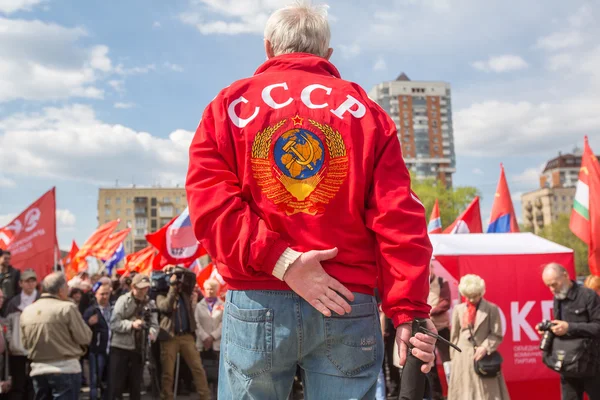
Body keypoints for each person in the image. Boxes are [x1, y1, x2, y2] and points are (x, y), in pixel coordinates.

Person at [185, 3, 436, 398]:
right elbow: (398, 217)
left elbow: (209, 206)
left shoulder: (226, 107)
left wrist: (281, 262)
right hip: (347, 299)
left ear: (268, 49)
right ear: (327, 54)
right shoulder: (367, 113)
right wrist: (410, 311)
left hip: (257, 298)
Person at [19, 272, 93, 400]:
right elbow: (85, 337)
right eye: (66, 288)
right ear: (60, 290)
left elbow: (25, 343)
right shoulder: (67, 308)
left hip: (38, 369)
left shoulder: (27, 310)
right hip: (65, 369)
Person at [537, 263, 600, 400]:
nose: (552, 289)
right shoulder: (558, 298)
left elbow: (597, 326)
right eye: (548, 286)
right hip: (568, 364)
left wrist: (569, 327)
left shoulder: (588, 296)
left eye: (554, 284)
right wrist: (551, 330)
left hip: (591, 364)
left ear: (565, 275)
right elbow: (561, 326)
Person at [447, 274, 510, 400]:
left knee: (487, 393)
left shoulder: (492, 309)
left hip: (484, 358)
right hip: (462, 358)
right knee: (464, 391)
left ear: (481, 292)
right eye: (468, 296)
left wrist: (485, 347)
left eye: (474, 296)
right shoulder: (459, 310)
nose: (471, 299)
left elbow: (496, 334)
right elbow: (454, 336)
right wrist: (454, 358)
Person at [156, 267, 210, 400]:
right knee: (168, 372)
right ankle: (167, 397)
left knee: (197, 368)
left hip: (186, 336)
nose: (178, 283)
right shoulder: (160, 295)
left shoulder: (185, 294)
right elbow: (166, 307)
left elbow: (192, 277)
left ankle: (205, 396)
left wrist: (177, 269)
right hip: (170, 337)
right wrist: (172, 288)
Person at [108, 274, 158, 400]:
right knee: (116, 386)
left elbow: (154, 324)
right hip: (121, 348)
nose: (143, 291)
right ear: (133, 287)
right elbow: (114, 323)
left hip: (139, 349)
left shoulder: (150, 303)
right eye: (140, 288)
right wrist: (132, 325)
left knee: (136, 387)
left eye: (146, 288)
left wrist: (152, 333)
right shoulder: (123, 300)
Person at [5, 269, 40, 400]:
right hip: (18, 350)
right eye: (27, 281)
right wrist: (11, 341)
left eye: (33, 281)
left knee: (35, 384)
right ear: (20, 283)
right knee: (18, 384)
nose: (30, 284)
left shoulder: (41, 300)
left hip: (36, 350)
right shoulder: (13, 303)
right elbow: (6, 325)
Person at [83, 283, 112, 400]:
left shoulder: (113, 308)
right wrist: (88, 323)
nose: (105, 296)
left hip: (111, 349)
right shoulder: (91, 311)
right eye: (102, 294)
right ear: (96, 295)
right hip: (96, 351)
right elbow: (81, 329)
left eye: (107, 294)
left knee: (109, 380)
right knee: (95, 379)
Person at [427, 259, 451, 400]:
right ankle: (436, 395)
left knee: (448, 362)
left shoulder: (442, 282)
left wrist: (429, 311)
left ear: (433, 268)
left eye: (430, 267)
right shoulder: (420, 283)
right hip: (427, 330)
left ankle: (454, 392)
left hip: (441, 328)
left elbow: (445, 303)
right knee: (430, 364)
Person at [195, 279, 224, 395]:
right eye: (207, 289)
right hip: (203, 344)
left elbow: (224, 323)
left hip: (217, 344)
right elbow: (196, 323)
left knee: (218, 373)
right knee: (203, 372)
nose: (210, 291)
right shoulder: (199, 305)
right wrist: (205, 337)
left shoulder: (223, 305)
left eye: (212, 289)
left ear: (217, 290)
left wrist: (212, 337)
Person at [0, 250, 20, 317]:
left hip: (9, 306)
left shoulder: (15, 273)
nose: (7, 261)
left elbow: (18, 291)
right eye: (5, 258)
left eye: (9, 259)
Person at [0, 289, 12, 397]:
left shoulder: (4, 321)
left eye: (2, 297)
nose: (1, 300)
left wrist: (7, 377)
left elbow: (6, 351)